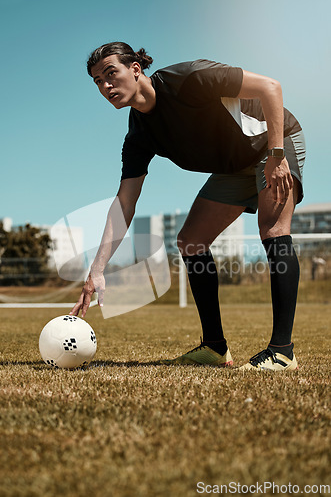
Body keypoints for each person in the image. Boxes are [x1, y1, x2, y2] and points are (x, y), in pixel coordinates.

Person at [70, 41, 306, 371]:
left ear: (135, 70)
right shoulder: (139, 135)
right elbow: (124, 203)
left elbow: (271, 87)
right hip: (233, 167)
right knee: (191, 241)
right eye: (97, 81)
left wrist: (278, 156)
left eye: (111, 74)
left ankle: (282, 351)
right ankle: (214, 348)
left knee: (273, 228)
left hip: (271, 144)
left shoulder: (189, 79)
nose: (105, 86)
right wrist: (97, 270)